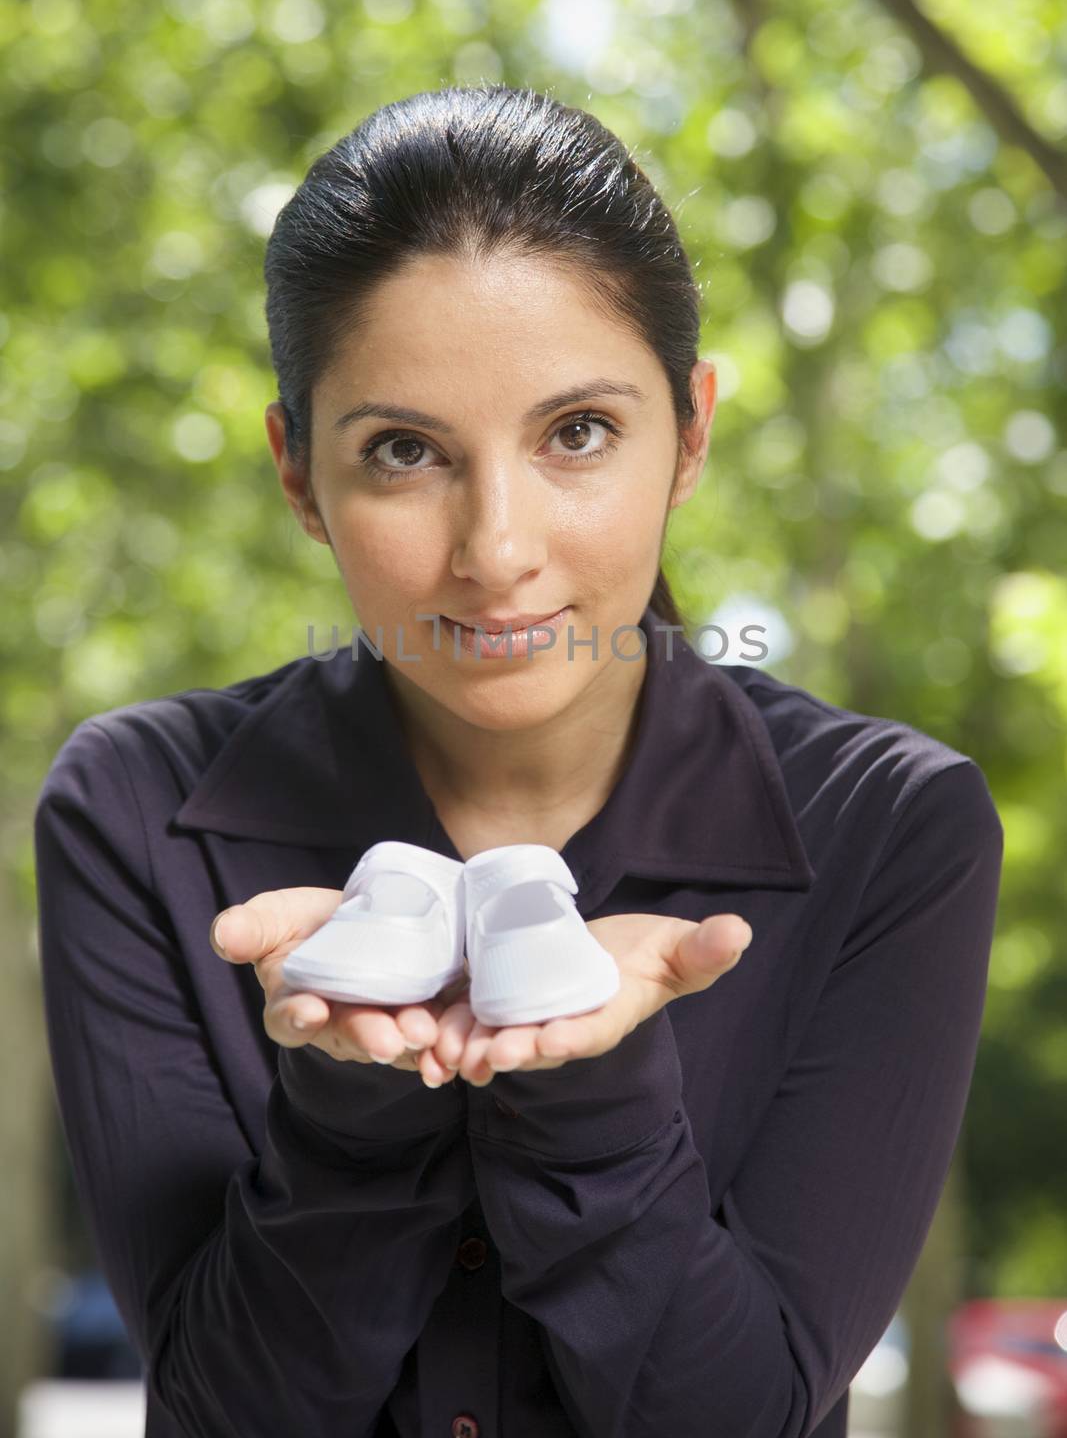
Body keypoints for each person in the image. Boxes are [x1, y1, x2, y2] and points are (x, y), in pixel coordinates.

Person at [33, 84, 1004, 1438]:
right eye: (403, 452)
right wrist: (356, 1101)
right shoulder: (133, 810)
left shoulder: (891, 827)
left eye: (578, 434)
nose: (495, 550)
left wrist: (590, 1093)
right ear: (299, 475)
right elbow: (223, 1407)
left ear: (693, 433)